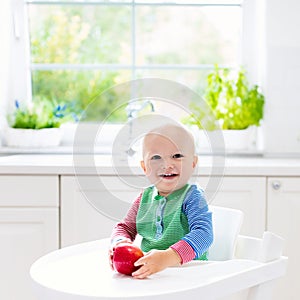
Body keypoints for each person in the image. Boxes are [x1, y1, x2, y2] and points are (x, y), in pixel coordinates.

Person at [109, 123, 213, 279]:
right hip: (152, 275)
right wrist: (119, 243)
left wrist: (168, 257)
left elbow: (204, 234)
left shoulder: (192, 196)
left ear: (193, 163)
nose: (167, 165)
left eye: (177, 156)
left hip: (190, 274)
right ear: (144, 167)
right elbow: (125, 227)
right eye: (156, 158)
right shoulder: (144, 198)